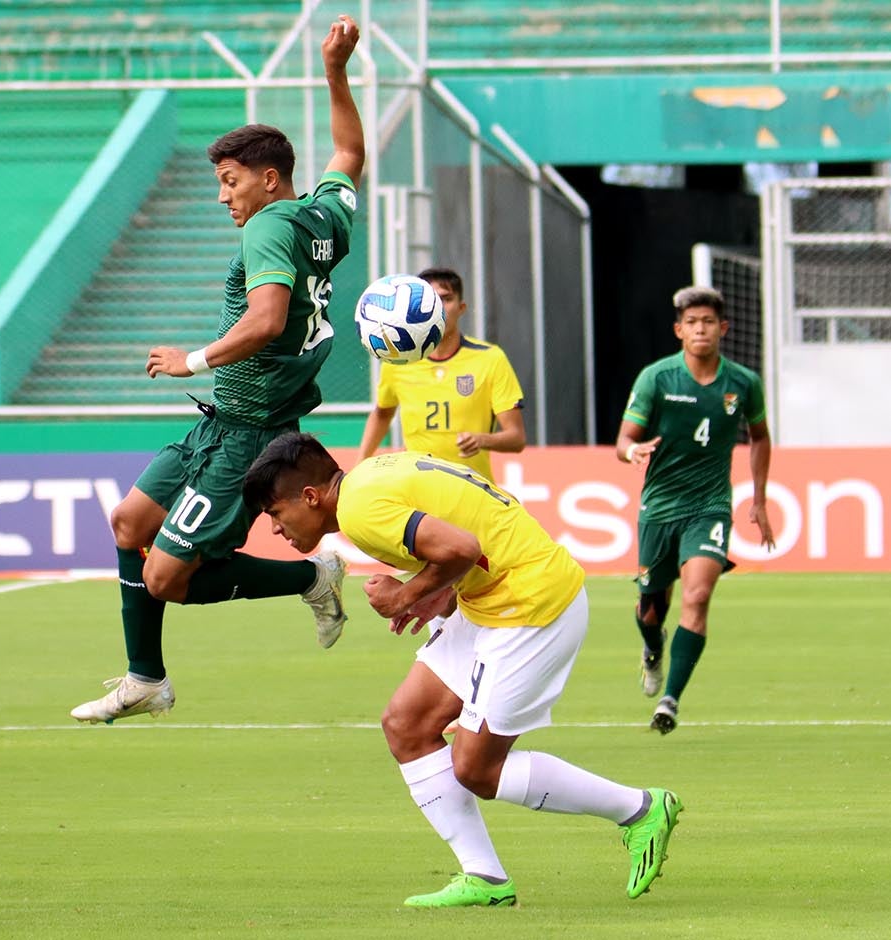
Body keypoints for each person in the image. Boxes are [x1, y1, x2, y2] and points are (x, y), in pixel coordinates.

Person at [70, 15, 365, 725]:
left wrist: (188, 361)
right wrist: (334, 68)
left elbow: (265, 320)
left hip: (248, 432)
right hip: (225, 421)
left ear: (268, 180)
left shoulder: (267, 226)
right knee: (128, 520)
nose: (222, 196)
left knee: (166, 577)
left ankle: (311, 574)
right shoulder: (323, 215)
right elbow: (350, 151)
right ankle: (145, 679)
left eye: (230, 181)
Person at [244, 432, 682, 908]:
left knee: (476, 767)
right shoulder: (370, 476)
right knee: (407, 724)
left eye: (275, 513)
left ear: (310, 497)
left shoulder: (360, 510)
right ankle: (485, 878)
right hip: (490, 598)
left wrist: (405, 595)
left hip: (530, 604)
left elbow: (463, 546)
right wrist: (441, 593)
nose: (274, 529)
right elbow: (472, 530)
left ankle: (639, 809)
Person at [616, 285, 775, 735]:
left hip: (710, 507)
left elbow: (760, 436)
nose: (700, 329)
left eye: (708, 322)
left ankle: (671, 700)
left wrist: (759, 499)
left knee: (698, 595)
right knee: (651, 608)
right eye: (692, 323)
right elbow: (624, 440)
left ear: (722, 328)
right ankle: (653, 652)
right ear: (678, 331)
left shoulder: (743, 383)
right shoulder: (657, 378)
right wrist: (633, 453)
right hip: (660, 507)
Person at [356, 267, 527, 480]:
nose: (439, 308)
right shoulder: (398, 361)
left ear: (461, 307)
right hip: (419, 490)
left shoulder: (491, 358)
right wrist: (360, 465)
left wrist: (482, 440)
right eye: (431, 301)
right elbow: (382, 413)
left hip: (473, 489)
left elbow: (517, 438)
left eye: (446, 299)